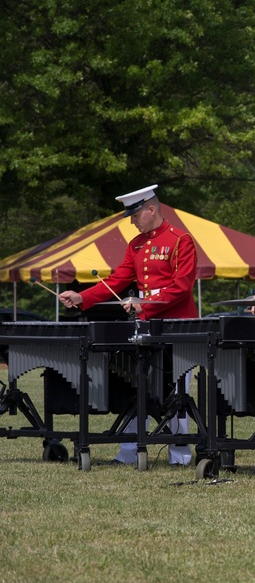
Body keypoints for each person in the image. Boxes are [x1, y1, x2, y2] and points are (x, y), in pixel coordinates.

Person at [57, 185, 196, 466]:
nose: (132, 221)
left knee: (177, 394)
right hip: (146, 328)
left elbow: (181, 287)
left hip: (178, 328)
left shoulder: (181, 240)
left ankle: (180, 456)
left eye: (135, 215)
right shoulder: (136, 245)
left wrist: (147, 302)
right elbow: (118, 281)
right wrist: (82, 296)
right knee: (139, 389)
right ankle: (129, 451)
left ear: (151, 209)